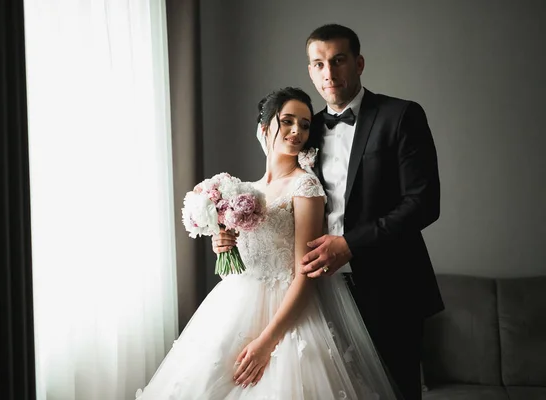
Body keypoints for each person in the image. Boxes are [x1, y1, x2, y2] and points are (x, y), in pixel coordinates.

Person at [136, 87, 400, 399]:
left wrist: (267, 341)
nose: (296, 131)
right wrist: (222, 244)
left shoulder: (306, 186)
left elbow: (306, 272)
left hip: (289, 312)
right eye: (287, 121)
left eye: (304, 124)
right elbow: (236, 263)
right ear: (264, 128)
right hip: (234, 306)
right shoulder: (244, 191)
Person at [300, 24, 444, 399]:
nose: (329, 73)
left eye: (338, 60)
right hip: (322, 290)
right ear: (311, 71)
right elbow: (283, 197)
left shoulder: (401, 116)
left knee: (396, 391)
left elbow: (423, 203)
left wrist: (350, 244)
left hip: (393, 286)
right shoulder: (307, 130)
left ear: (359, 63)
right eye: (318, 64)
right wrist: (232, 231)